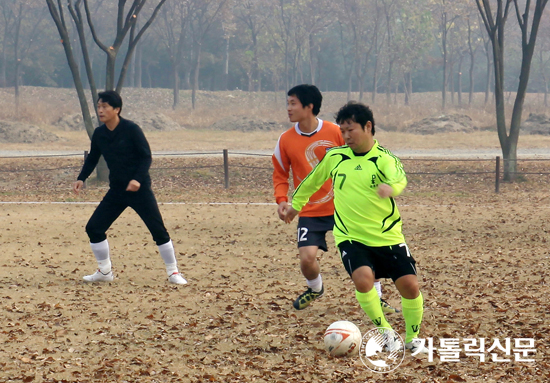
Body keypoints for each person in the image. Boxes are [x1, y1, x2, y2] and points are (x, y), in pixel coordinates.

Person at [284, 101, 427, 353]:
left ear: (368, 126)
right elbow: (311, 182)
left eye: (351, 130)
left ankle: (413, 338)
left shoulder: (384, 158)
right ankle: (385, 332)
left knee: (410, 286)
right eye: (343, 131)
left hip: (387, 236)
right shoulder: (335, 157)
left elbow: (399, 178)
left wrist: (390, 188)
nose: (346, 136)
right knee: (363, 280)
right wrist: (296, 205)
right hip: (351, 237)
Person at [273, 85, 398, 314]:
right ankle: (315, 288)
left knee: (366, 253)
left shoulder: (336, 132)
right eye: (288, 103)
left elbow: (361, 154)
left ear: (309, 107)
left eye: (293, 103)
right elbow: (280, 173)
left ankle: (377, 299)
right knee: (307, 260)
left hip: (344, 208)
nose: (288, 108)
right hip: (310, 211)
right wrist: (282, 199)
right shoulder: (285, 140)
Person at [73, 90, 187, 285]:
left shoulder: (131, 129)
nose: (100, 110)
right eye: (98, 106)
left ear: (116, 109)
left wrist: (137, 180)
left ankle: (173, 272)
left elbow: (146, 156)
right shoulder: (99, 134)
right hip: (116, 191)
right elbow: (93, 157)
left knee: (158, 231)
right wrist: (82, 177)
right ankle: (104, 271)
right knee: (94, 228)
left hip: (139, 191)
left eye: (104, 107)